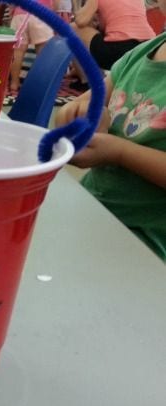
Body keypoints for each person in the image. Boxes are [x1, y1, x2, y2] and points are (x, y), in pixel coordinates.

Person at [55, 9, 166, 261]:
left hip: (145, 244)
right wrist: (80, 117)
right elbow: (77, 108)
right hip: (92, 209)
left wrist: (120, 153)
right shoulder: (138, 56)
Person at [70, 0, 156, 89]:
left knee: (73, 28)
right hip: (148, 48)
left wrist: (77, 5)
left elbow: (80, 21)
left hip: (119, 51)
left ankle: (87, 81)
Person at [8, 0, 56, 94]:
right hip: (40, 12)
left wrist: (12, 10)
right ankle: (41, 84)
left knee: (17, 51)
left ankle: (14, 83)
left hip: (20, 13)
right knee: (43, 51)